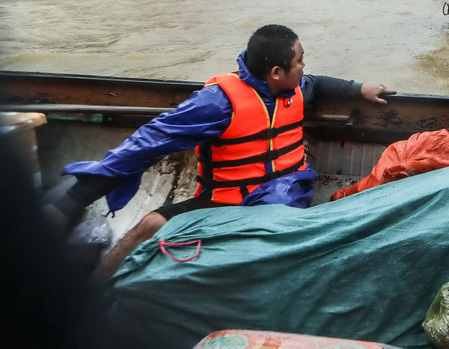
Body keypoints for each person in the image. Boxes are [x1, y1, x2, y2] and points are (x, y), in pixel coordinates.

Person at [44, 24, 396, 281]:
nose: (304, 67)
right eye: (300, 60)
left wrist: (358, 88)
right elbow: (147, 143)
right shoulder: (218, 103)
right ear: (276, 72)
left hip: (283, 197)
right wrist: (74, 200)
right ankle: (92, 295)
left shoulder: (296, 87)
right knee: (149, 225)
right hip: (224, 200)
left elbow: (317, 83)